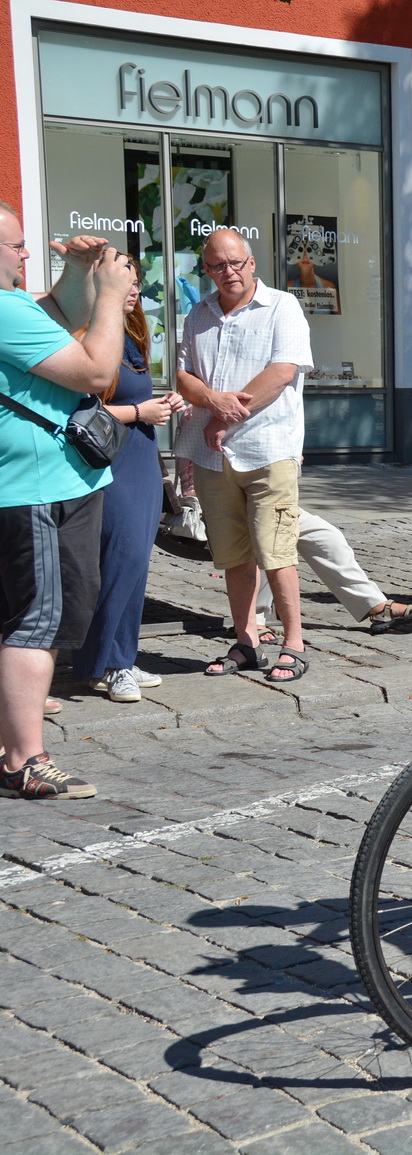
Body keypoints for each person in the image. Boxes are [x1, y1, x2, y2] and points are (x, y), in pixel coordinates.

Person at [0, 203, 132, 799]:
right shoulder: (1, 310)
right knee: (36, 622)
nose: (26, 254)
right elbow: (94, 368)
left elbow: (56, 316)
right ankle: (24, 760)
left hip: (49, 483)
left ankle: (13, 743)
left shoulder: (14, 306)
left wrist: (80, 276)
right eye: (17, 246)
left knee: (36, 618)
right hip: (35, 489)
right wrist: (110, 293)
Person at [174, 228, 316, 685]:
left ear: (251, 263)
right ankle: (246, 638)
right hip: (213, 457)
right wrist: (212, 402)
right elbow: (184, 376)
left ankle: (294, 642)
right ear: (208, 269)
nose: (228, 272)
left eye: (235, 263)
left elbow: (282, 371)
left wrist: (225, 417)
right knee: (233, 556)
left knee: (277, 552)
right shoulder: (198, 314)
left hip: (267, 449)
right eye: (217, 265)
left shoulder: (282, 306)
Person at [72, 257, 188, 702]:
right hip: (110, 460)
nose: (135, 290)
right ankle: (103, 664)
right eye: (126, 282)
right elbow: (75, 412)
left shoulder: (134, 334)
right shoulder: (87, 335)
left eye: (138, 283)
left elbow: (129, 397)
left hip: (139, 456)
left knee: (135, 563)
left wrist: (159, 403)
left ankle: (121, 656)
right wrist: (141, 412)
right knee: (117, 561)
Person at [251, 508, 412, 635]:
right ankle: (254, 620)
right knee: (268, 540)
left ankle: (373, 605)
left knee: (325, 535)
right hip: (237, 498)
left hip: (272, 495)